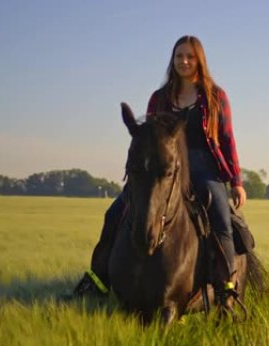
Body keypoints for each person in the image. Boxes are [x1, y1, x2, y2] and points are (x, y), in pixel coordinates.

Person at [70, 35, 246, 302]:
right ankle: (98, 280)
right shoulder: (160, 98)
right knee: (114, 212)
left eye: (189, 56)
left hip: (203, 165)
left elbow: (227, 138)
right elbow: (149, 138)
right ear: (172, 60)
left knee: (221, 219)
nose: (184, 61)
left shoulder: (215, 96)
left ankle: (227, 290)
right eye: (179, 56)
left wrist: (236, 181)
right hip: (163, 167)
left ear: (199, 60)